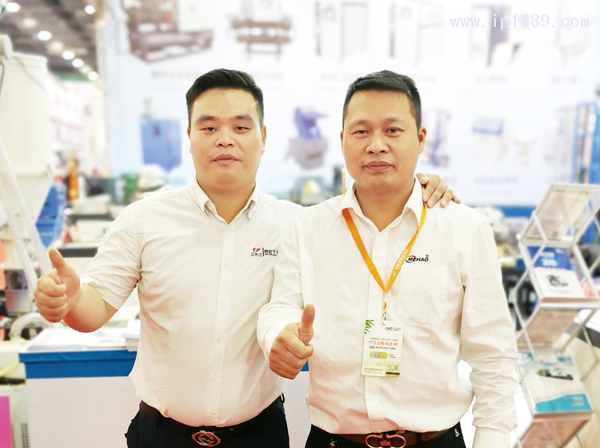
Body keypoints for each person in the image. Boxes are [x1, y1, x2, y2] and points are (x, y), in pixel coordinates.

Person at [33, 69, 456, 448]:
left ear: (263, 136)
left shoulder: (298, 224)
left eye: (240, 126)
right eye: (209, 126)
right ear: (189, 136)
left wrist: (420, 187)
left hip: (259, 436)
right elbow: (91, 312)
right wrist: (68, 300)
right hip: (162, 435)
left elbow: (373, 209)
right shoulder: (143, 220)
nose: (225, 139)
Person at [258, 70, 518, 448]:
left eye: (393, 130)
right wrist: (278, 333)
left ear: (421, 138)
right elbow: (280, 305)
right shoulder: (308, 227)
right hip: (334, 441)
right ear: (342, 140)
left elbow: (493, 356)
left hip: (434, 440)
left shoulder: (464, 229)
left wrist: (491, 441)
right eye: (361, 131)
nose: (376, 145)